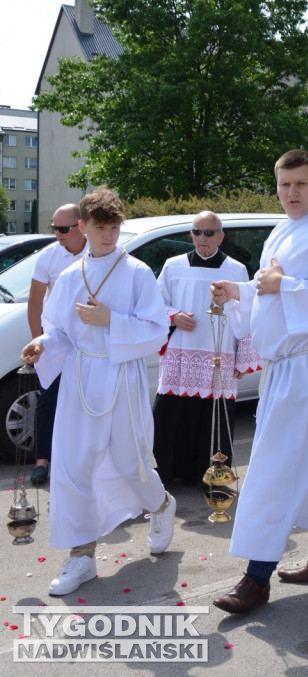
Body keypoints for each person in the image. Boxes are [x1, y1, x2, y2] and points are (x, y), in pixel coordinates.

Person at [209, 149, 308, 614]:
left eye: (300, 184)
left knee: (277, 468)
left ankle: (256, 579)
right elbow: (271, 285)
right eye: (283, 185)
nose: (291, 193)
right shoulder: (285, 227)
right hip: (291, 366)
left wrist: (281, 288)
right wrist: (244, 291)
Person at [20, 189, 176, 597]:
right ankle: (82, 556)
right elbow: (58, 330)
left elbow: (157, 329)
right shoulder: (71, 275)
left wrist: (112, 320)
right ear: (83, 228)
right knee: (73, 468)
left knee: (129, 462)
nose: (109, 235)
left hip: (121, 376)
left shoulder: (138, 272)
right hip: (79, 377)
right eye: (100, 227)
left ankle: (160, 505)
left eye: (114, 227)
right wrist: (43, 344)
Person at [151, 212, 261, 487]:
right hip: (181, 353)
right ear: (191, 235)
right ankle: (165, 474)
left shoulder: (236, 270)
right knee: (171, 416)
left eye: (209, 233)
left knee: (212, 419)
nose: (203, 238)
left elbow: (246, 314)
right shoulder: (173, 266)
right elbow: (153, 304)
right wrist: (174, 316)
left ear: (221, 236)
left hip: (218, 354)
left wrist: (241, 360)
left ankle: (209, 476)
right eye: (198, 232)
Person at [26, 203, 89, 485]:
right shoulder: (48, 256)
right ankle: (42, 461)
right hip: (55, 340)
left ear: (81, 226)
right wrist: (36, 340)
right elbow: (35, 302)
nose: (58, 234)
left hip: (88, 339)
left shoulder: (98, 253)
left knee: (85, 402)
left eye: (63, 229)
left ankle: (81, 462)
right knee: (47, 400)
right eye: (54, 228)